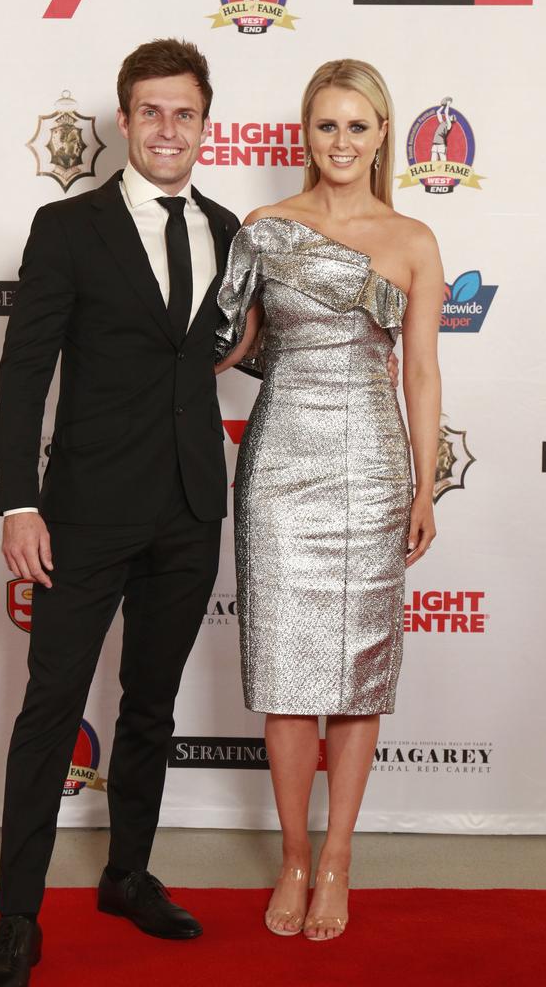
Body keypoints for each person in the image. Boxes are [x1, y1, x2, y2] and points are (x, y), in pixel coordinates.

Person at [0, 38, 238, 987]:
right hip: (83, 512)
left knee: (152, 706)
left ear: (206, 125)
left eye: (187, 113)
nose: (170, 128)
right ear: (124, 122)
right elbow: (23, 376)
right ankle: (16, 916)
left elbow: (219, 351)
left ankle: (128, 873)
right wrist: (18, 501)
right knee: (51, 707)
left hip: (189, 508)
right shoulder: (66, 227)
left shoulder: (227, 225)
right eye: (153, 111)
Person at [215, 59, 442, 941]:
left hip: (372, 463)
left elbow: (419, 370)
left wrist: (425, 485)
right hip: (278, 464)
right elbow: (232, 348)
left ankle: (338, 858)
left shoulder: (414, 239)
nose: (341, 142)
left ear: (384, 135)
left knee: (356, 675)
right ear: (303, 134)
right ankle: (294, 858)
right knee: (284, 676)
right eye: (326, 126)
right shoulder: (264, 230)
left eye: (358, 126)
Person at [431, 96, 455, 163]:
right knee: (432, 163)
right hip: (435, 144)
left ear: (452, 120)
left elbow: (446, 113)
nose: (450, 116)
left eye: (452, 117)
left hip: (441, 145)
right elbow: (438, 112)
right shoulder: (442, 123)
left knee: (444, 163)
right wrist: (443, 105)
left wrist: (448, 104)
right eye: (451, 116)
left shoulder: (449, 125)